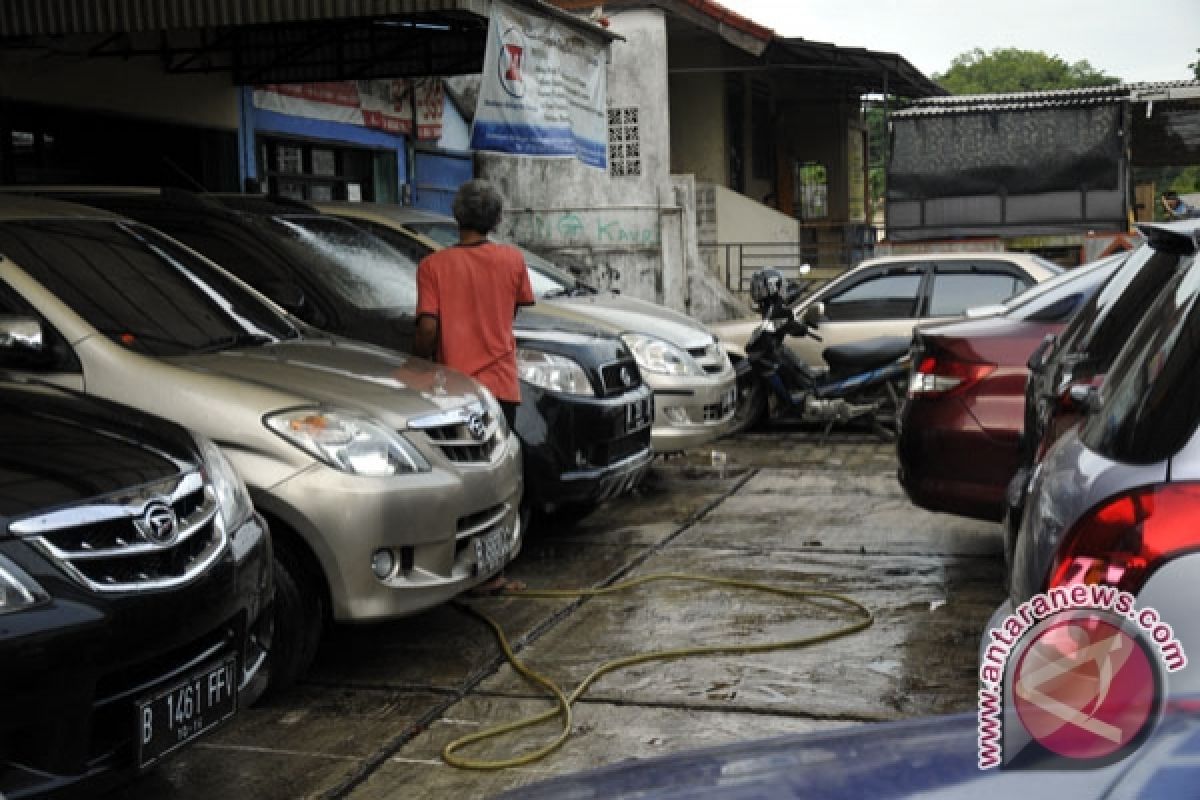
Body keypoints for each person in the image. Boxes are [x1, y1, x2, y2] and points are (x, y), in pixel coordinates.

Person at [414, 179, 535, 594]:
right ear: (496, 219)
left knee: (458, 482)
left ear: (456, 217)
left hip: (455, 391)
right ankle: (494, 572)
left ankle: (456, 568)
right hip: (501, 385)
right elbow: (513, 310)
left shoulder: (433, 267)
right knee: (499, 482)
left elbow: (428, 327)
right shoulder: (513, 261)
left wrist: (419, 358)